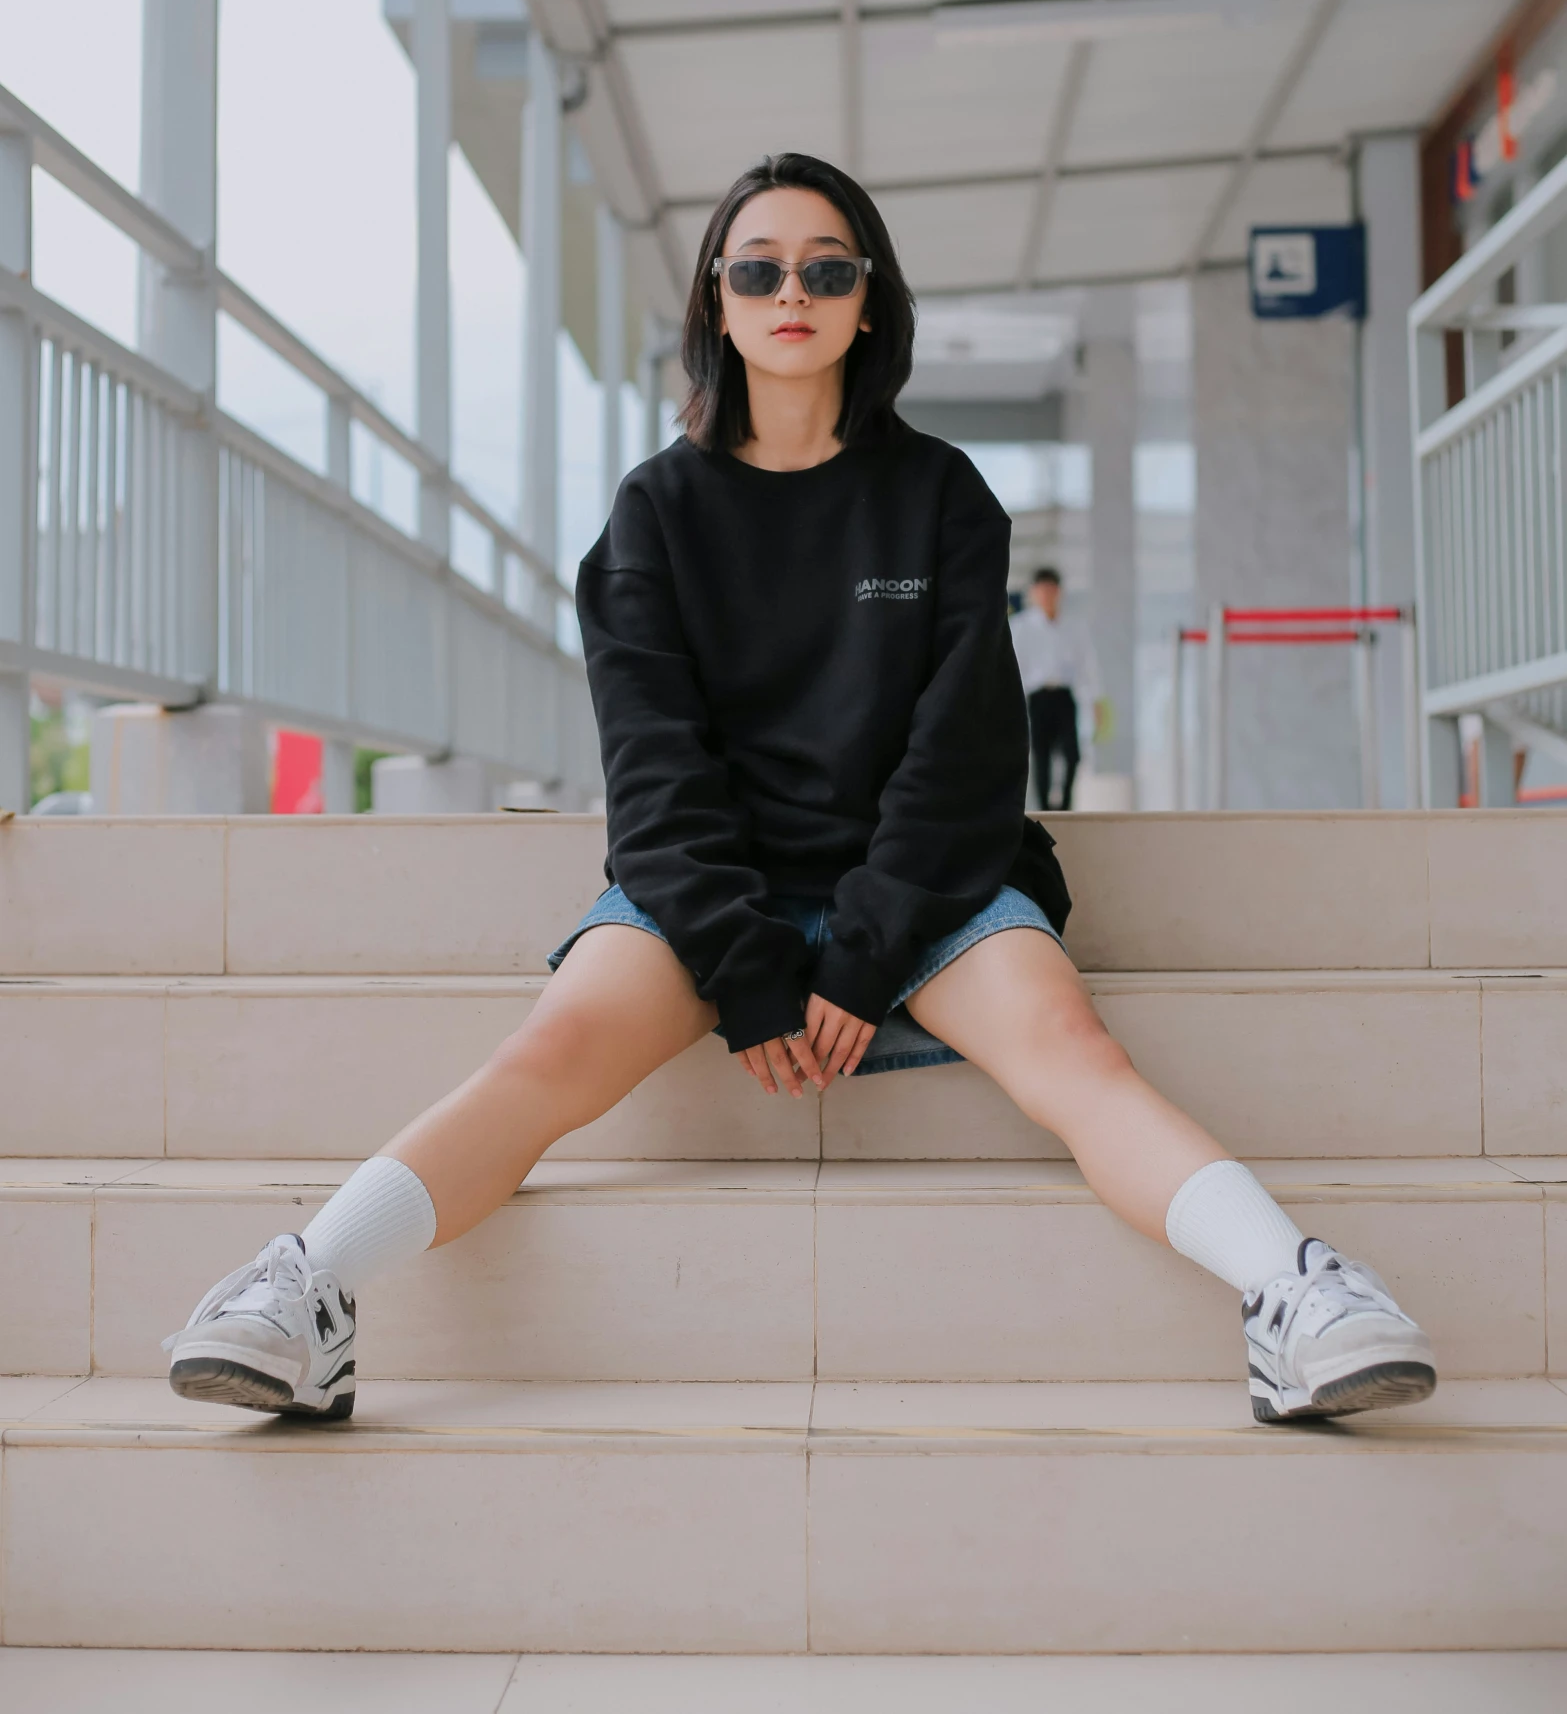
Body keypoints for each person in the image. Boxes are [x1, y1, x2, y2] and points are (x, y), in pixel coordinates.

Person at [165, 151, 1435, 1429]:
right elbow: (653, 771)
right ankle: (306, 1292)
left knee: (1072, 1048)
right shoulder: (653, 516)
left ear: (868, 301)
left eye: (826, 269)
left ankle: (1296, 1294)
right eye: (757, 268)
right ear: (716, 300)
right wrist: (748, 960)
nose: (792, 292)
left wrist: (865, 949)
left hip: (929, 890)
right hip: (712, 896)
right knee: (547, 1048)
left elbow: (965, 755)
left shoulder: (939, 496)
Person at [1011, 567, 1100, 809]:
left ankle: (1066, 805)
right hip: (1037, 698)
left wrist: (1095, 701)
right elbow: (1015, 668)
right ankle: (1045, 810)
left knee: (1072, 753)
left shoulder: (1074, 626)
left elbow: (1086, 666)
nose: (1047, 595)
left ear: (1059, 592)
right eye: (1042, 590)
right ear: (1033, 592)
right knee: (1041, 756)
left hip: (1064, 696)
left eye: (1051, 589)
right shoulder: (1021, 627)